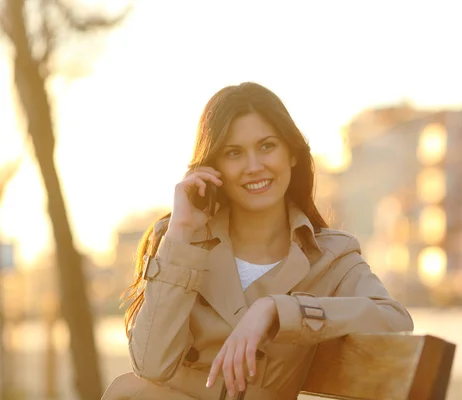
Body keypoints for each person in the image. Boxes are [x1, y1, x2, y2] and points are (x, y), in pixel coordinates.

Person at [102, 82, 413, 400]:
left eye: (267, 146)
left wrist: (280, 310)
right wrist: (181, 232)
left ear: (291, 154)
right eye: (233, 153)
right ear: (214, 167)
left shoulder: (331, 256)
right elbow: (151, 367)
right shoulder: (179, 242)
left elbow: (394, 321)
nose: (254, 167)